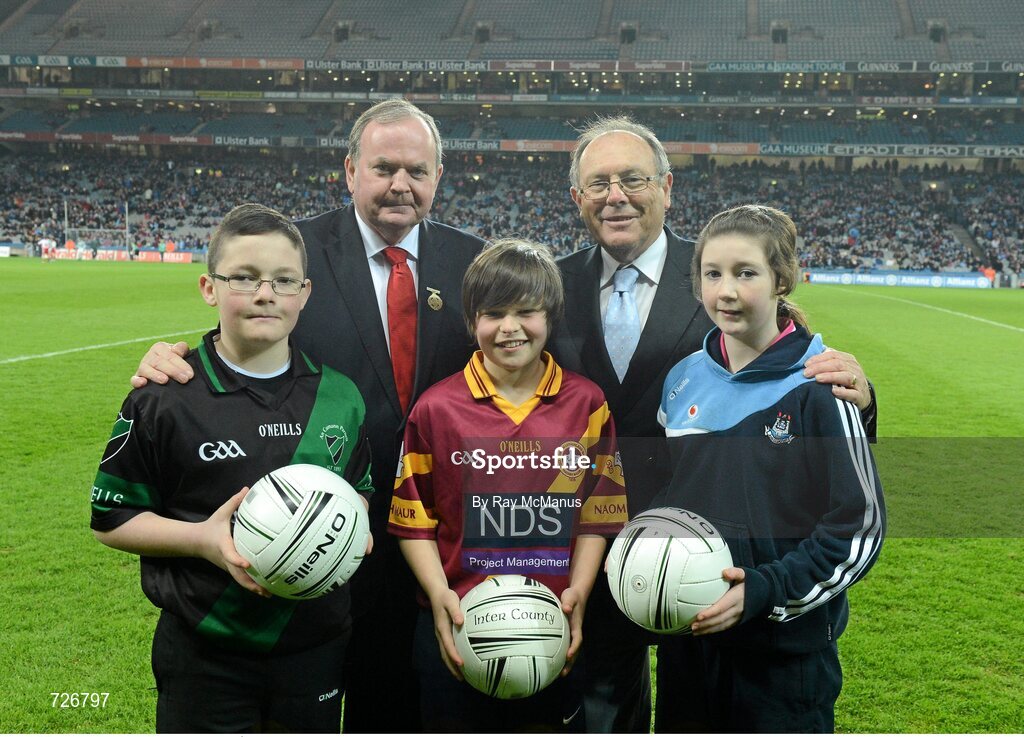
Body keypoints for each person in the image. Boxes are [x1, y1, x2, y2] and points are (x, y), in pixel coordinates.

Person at [130, 99, 486, 733]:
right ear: (350, 171)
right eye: (383, 168)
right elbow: (247, 331)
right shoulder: (296, 253)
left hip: (437, 531)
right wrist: (170, 355)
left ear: (439, 175)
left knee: (405, 701)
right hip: (313, 533)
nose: (400, 184)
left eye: (417, 170)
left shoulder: (475, 263)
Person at [547, 115, 877, 732]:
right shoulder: (551, 288)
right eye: (598, 183)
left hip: (709, 577)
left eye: (632, 178)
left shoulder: (712, 271)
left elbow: (795, 392)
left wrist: (859, 396)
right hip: (589, 558)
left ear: (667, 187)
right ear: (577, 198)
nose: (615, 195)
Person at [91, 203, 374, 732]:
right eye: (243, 278)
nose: (266, 293)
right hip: (206, 648)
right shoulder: (165, 398)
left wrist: (352, 524)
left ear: (304, 294)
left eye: (283, 281)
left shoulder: (340, 396)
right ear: (209, 288)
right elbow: (112, 519)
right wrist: (202, 540)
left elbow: (360, 489)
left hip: (314, 643)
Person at [654, 204, 885, 732]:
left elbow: (860, 527)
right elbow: (672, 498)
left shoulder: (821, 386)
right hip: (688, 642)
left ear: (784, 279)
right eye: (713, 274)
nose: (726, 291)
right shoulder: (682, 378)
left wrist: (766, 591)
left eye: (746, 273)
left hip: (782, 658)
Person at [388, 239, 628, 731]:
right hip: (457, 624)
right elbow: (414, 522)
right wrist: (438, 596)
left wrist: (579, 593)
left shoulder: (588, 404)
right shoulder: (436, 408)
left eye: (526, 312)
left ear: (551, 316)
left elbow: (596, 516)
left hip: (550, 626)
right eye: (494, 313)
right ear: (472, 319)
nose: (510, 328)